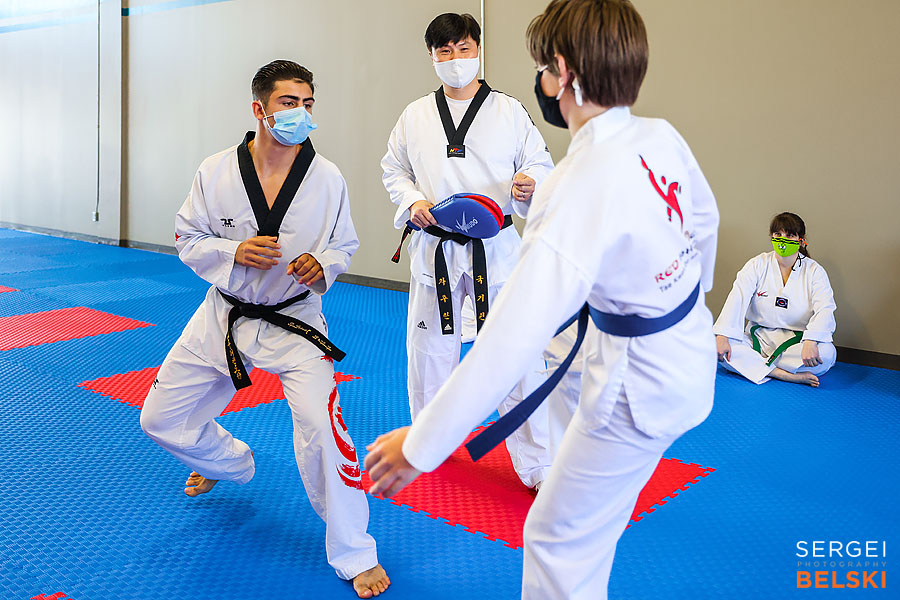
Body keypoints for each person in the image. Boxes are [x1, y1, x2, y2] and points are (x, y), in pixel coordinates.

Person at [365, 1, 719, 598]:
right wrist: (662, 297)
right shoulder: (659, 135)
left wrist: (419, 443)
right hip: (686, 350)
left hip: (636, 389)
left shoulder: (573, 182)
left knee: (557, 542)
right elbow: (703, 225)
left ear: (561, 72)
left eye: (543, 67)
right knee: (584, 531)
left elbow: (510, 338)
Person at [139, 60, 389, 598]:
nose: (300, 113)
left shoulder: (327, 177)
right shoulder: (216, 171)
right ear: (260, 109)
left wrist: (325, 265)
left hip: (295, 319)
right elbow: (187, 237)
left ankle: (354, 551)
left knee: (325, 433)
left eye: (308, 103)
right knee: (159, 420)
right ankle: (229, 462)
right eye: (288, 103)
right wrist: (233, 251)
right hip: (223, 313)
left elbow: (343, 244)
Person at [381, 13, 555, 489]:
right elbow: (393, 168)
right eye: (444, 51)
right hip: (434, 250)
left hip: (494, 251)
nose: (454, 60)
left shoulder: (509, 111)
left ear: (477, 50)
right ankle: (427, 444)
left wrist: (529, 184)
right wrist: (411, 200)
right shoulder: (414, 115)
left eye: (462, 49)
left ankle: (538, 465)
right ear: (431, 56)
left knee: (515, 356)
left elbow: (540, 162)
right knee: (429, 354)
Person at [714, 212, 837, 387]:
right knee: (717, 346)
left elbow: (825, 308)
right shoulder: (757, 264)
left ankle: (755, 366)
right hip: (759, 338)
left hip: (796, 341)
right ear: (771, 236)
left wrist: (811, 341)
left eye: (789, 235)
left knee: (826, 354)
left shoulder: (814, 271)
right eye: (778, 234)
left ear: (801, 240)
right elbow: (737, 297)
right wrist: (723, 335)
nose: (782, 239)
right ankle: (783, 374)